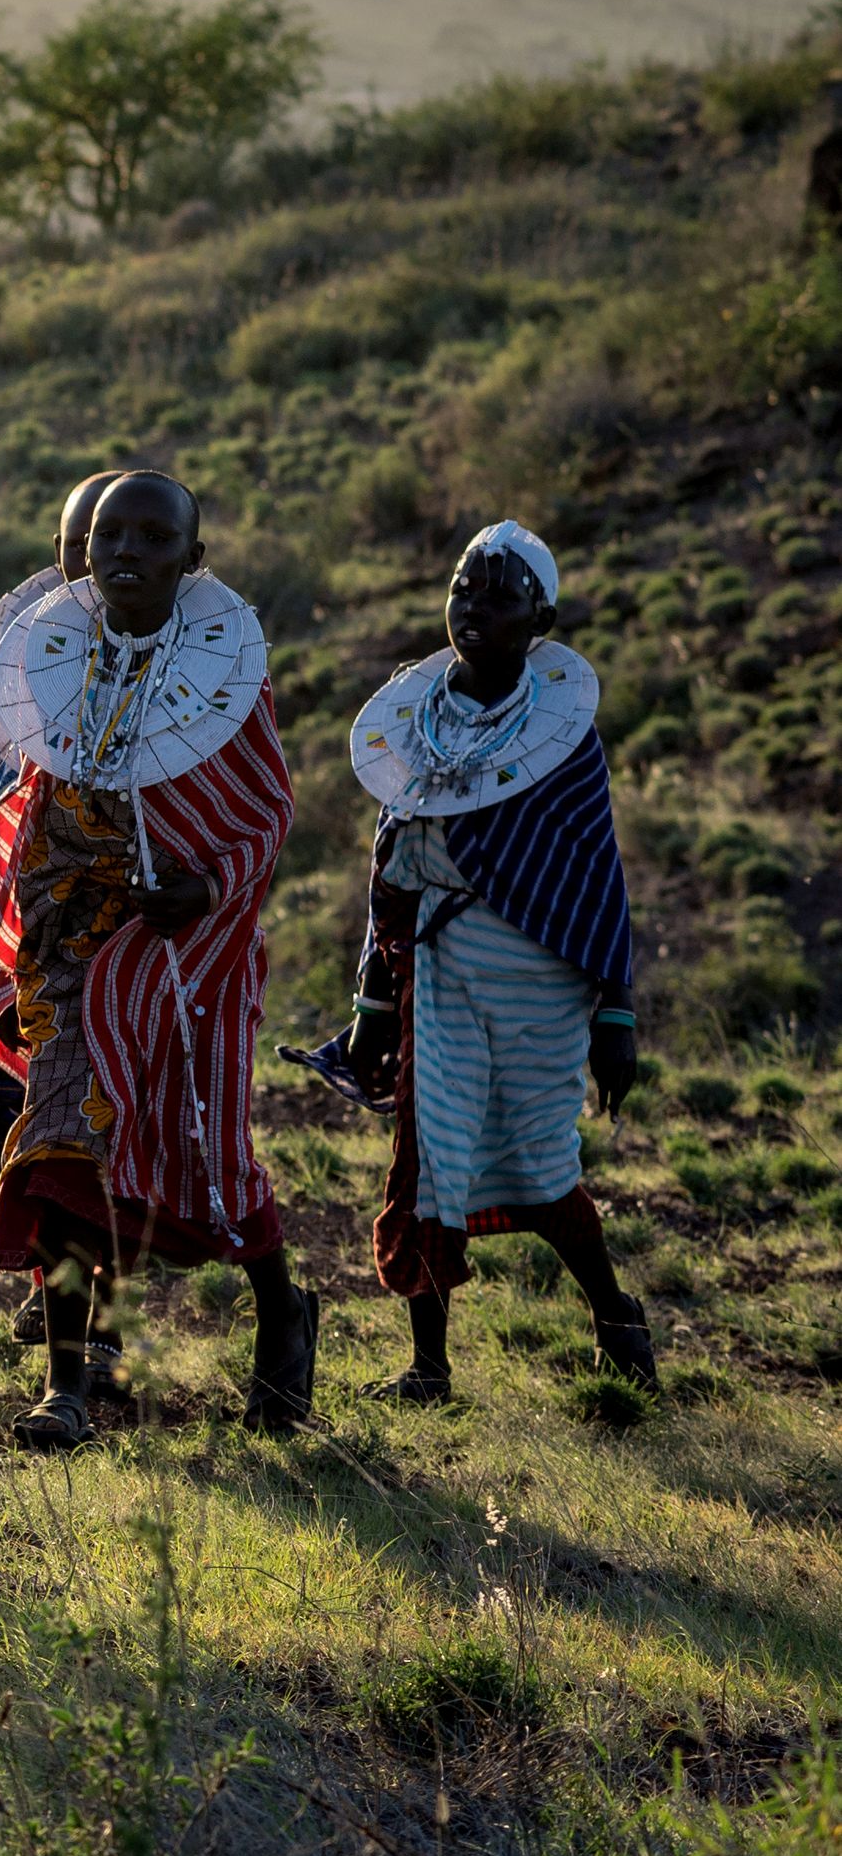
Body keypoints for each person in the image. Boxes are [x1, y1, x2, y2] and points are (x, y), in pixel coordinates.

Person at [0, 469, 316, 1445]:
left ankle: (280, 1305)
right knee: (57, 1150)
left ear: (192, 560)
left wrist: (201, 887)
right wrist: (23, 940)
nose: (127, 554)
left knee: (206, 1160)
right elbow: (29, 801)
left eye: (152, 538)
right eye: (110, 537)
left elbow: (263, 809)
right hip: (68, 946)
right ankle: (65, 1386)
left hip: (179, 953)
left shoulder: (222, 669)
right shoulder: (56, 660)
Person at [345, 522, 655, 1399]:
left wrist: (615, 1016)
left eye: (500, 594)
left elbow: (599, 884)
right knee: (429, 1157)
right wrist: (371, 1003)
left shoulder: (564, 744)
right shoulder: (412, 730)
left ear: (540, 617)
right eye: (462, 588)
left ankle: (615, 1314)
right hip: (437, 977)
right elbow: (392, 877)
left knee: (540, 1160)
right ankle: (430, 1368)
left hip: (540, 986)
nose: (474, 607)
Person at [0, 471, 132, 1253]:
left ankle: (87, 1321)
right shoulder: (24, 672)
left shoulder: (177, 685)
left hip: (123, 930)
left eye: (110, 546)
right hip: (26, 930)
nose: (97, 567)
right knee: (35, 1114)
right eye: (80, 548)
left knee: (88, 1125)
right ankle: (64, 1302)